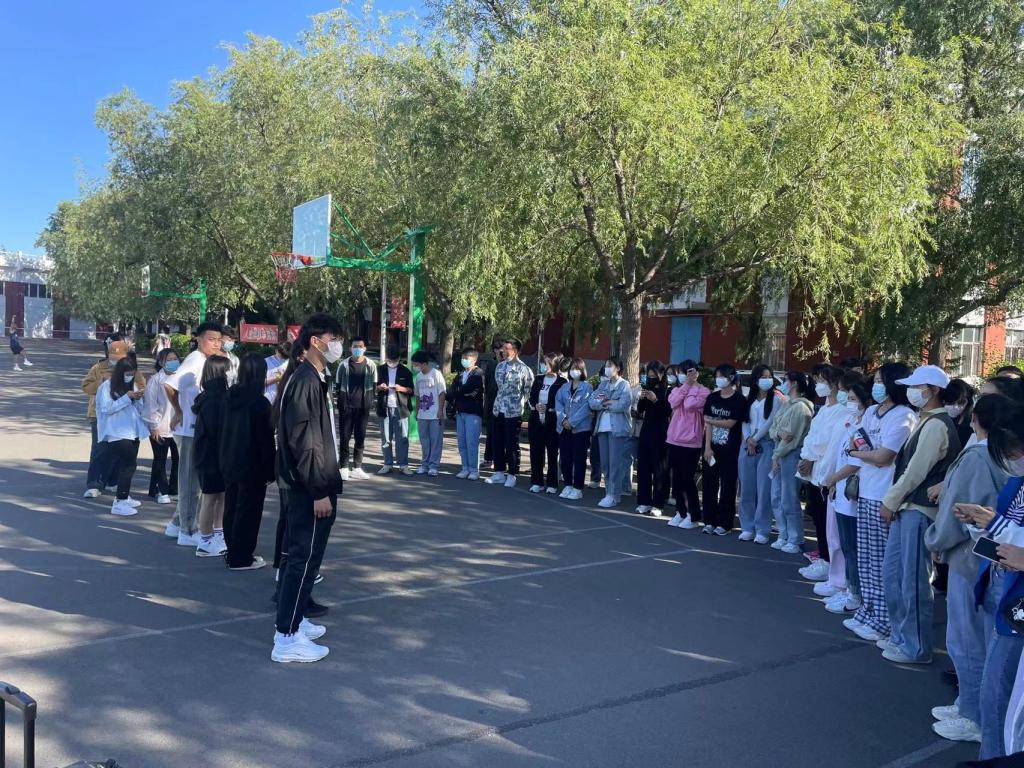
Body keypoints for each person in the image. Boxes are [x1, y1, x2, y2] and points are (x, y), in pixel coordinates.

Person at [926, 394, 1014, 743]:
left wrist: (937, 541)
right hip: (992, 555)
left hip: (970, 555)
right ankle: (968, 702)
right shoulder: (999, 455)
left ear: (977, 418)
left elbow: (957, 510)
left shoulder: (979, 454)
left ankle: (973, 715)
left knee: (967, 640)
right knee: (977, 637)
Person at [872, 365, 963, 665]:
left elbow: (916, 471)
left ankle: (917, 646)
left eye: (917, 386)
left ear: (933, 390)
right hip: (907, 507)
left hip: (919, 509)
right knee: (894, 575)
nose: (912, 391)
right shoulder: (927, 420)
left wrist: (890, 500)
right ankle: (901, 635)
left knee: (913, 580)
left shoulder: (937, 425)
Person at [272, 312, 345, 664]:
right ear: (315, 342)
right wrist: (318, 490)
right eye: (334, 339)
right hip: (308, 488)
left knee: (307, 558)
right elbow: (305, 442)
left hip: (313, 483)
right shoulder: (305, 380)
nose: (339, 345)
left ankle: (296, 620)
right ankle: (286, 637)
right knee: (302, 559)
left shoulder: (313, 377)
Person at [953, 407, 1024, 758]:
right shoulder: (1016, 483)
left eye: (1011, 452)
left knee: (999, 692)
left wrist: (994, 525)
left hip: (1017, 601)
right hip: (1001, 583)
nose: (1009, 461)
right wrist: (981, 523)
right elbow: (1006, 536)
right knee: (996, 691)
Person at [844, 362, 916, 643]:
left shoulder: (904, 416)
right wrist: (863, 453)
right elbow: (858, 441)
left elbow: (884, 457)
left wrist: (858, 454)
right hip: (866, 491)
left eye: (880, 381)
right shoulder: (872, 411)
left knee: (883, 563)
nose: (875, 386)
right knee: (866, 559)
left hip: (885, 496)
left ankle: (885, 620)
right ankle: (869, 611)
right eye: (874, 380)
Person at [165, 321, 225, 546]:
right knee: (191, 482)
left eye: (218, 340)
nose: (216, 344)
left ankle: (177, 523)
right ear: (199, 339)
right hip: (190, 430)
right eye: (211, 339)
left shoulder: (206, 360)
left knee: (194, 480)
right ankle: (188, 531)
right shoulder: (195, 360)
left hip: (196, 429)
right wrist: (179, 411)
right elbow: (169, 385)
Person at [821, 373, 873, 615]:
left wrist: (833, 478)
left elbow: (856, 461)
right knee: (845, 544)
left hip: (853, 492)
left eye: (853, 398)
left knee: (852, 547)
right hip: (842, 491)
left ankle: (855, 593)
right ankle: (849, 588)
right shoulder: (852, 422)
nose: (849, 402)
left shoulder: (865, 426)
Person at [220, 353, 276, 570]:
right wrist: (270, 469)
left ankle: (232, 550)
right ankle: (241, 556)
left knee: (231, 506)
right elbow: (265, 440)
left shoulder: (229, 396)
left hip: (229, 458)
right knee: (249, 510)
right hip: (252, 464)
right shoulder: (260, 403)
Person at [797, 364, 849, 579]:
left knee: (829, 523)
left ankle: (830, 563)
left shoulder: (843, 410)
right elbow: (812, 436)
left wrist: (811, 458)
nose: (818, 385)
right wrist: (806, 456)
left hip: (826, 471)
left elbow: (828, 443)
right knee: (818, 518)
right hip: (814, 470)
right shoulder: (825, 408)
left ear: (835, 385)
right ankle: (823, 558)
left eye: (821, 381)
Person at [82, 340, 145, 498]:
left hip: (123, 420)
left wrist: (135, 393)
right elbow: (86, 386)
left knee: (118, 452)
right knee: (100, 450)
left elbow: (141, 386)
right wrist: (103, 382)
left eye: (119, 358)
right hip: (99, 416)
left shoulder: (132, 371)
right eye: (112, 357)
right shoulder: (98, 368)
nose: (115, 361)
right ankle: (94, 484)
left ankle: (113, 481)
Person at [95, 357, 148, 516]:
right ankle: (120, 501)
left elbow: (138, 408)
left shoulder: (133, 385)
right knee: (127, 465)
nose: (130, 376)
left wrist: (137, 398)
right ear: (119, 372)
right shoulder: (106, 387)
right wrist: (127, 397)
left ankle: (124, 495)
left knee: (130, 465)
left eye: (132, 373)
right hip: (116, 432)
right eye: (127, 374)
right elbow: (107, 408)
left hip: (133, 431)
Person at [769, 372, 815, 552]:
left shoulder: (801, 408)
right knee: (776, 497)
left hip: (790, 455)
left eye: (786, 380)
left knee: (789, 498)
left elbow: (791, 438)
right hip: (778, 454)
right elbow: (774, 430)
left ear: (794, 383)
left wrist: (776, 455)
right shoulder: (786, 404)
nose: (783, 384)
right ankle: (783, 534)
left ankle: (795, 538)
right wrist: (778, 435)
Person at [738, 364, 783, 543]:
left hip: (765, 444)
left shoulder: (776, 399)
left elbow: (770, 421)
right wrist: (748, 438)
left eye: (769, 376)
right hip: (747, 444)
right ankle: (747, 527)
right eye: (763, 377)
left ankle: (762, 529)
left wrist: (755, 439)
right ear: (756, 380)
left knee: (764, 489)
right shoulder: (749, 398)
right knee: (747, 488)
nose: (767, 380)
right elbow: (744, 420)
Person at [702, 364, 748, 535]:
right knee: (709, 484)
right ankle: (709, 520)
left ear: (731, 378)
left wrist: (711, 420)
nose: (718, 379)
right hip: (712, 448)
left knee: (728, 485)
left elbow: (731, 423)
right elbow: (707, 423)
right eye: (717, 376)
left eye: (721, 376)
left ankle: (725, 523)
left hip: (731, 449)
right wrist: (707, 447)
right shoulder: (712, 397)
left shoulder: (739, 400)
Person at [192, 355, 231, 557]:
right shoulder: (213, 399)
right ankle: (205, 540)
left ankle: (218, 534)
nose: (230, 374)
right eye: (227, 370)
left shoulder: (213, 396)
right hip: (211, 455)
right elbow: (216, 430)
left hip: (214, 455)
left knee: (221, 496)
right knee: (209, 497)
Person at [666, 361, 710, 529]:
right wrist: (686, 386)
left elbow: (690, 405)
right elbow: (673, 402)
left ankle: (693, 515)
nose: (685, 375)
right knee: (676, 479)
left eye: (688, 372)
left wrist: (691, 386)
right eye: (682, 372)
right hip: (674, 439)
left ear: (696, 373)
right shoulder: (677, 389)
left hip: (692, 442)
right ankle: (681, 511)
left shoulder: (704, 391)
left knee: (687, 479)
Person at [487, 338, 535, 488]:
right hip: (498, 409)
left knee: (511, 444)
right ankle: (499, 472)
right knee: (497, 441)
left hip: (513, 411)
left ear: (516, 351)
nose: (503, 351)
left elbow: (528, 391)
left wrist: (520, 405)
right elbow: (499, 386)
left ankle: (512, 474)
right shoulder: (500, 366)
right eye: (503, 348)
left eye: (507, 349)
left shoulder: (524, 369)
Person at [589, 356, 633, 508]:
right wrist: (606, 403)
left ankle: (614, 495)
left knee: (615, 464)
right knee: (605, 464)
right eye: (606, 365)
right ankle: (609, 493)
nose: (607, 368)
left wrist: (608, 402)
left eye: (610, 365)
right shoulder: (603, 384)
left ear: (618, 368)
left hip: (617, 430)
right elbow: (592, 402)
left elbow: (624, 404)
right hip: (602, 428)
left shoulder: (624, 385)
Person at [335, 337, 377, 480]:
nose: (357, 348)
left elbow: (374, 386)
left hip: (363, 407)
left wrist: (370, 402)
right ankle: (344, 467)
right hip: (346, 407)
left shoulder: (371, 365)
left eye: (360, 346)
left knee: (360, 437)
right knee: (345, 437)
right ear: (350, 348)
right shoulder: (343, 365)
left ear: (364, 348)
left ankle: (357, 467)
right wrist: (341, 403)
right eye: (355, 346)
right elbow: (338, 386)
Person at [143, 349, 179, 508]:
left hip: (178, 427)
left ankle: (174, 489)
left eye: (175, 358)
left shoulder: (181, 377)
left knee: (178, 459)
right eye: (168, 359)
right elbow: (150, 405)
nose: (173, 362)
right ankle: (161, 491)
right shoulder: (156, 380)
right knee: (160, 459)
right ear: (160, 362)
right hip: (161, 426)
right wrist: (154, 426)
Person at [555, 357, 594, 500]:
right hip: (564, 428)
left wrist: (572, 422)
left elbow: (586, 408)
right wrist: (563, 419)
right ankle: (568, 485)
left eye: (577, 369)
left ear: (582, 371)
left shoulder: (587, 387)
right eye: (572, 368)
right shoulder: (564, 387)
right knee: (565, 457)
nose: (574, 371)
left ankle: (578, 488)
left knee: (579, 459)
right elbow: (558, 403)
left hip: (581, 430)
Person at [636, 361, 671, 516]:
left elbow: (666, 411)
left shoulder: (668, 390)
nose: (651, 378)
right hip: (646, 429)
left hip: (661, 432)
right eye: (648, 376)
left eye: (653, 376)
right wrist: (642, 398)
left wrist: (655, 400)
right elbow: (640, 410)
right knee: (643, 467)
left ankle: (658, 503)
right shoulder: (646, 388)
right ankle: (644, 501)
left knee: (659, 469)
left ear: (661, 375)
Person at [528, 352, 566, 493]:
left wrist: (549, 407)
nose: (543, 366)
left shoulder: (561, 382)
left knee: (552, 452)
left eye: (546, 363)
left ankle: (552, 483)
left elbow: (562, 402)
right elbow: (531, 396)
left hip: (552, 420)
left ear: (554, 365)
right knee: (536, 451)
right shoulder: (538, 379)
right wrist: (536, 405)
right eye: (543, 363)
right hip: (536, 419)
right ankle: (537, 481)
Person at [376, 344, 415, 476]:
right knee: (385, 438)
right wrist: (379, 387)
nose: (392, 362)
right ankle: (387, 464)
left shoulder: (405, 371)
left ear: (398, 358)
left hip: (401, 408)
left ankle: (403, 465)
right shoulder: (380, 370)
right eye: (390, 360)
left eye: (394, 360)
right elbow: (373, 387)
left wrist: (401, 388)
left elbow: (411, 390)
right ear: (386, 358)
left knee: (402, 438)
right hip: (384, 407)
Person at [450, 347, 485, 479]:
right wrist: (461, 392)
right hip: (460, 412)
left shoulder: (478, 373)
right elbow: (453, 390)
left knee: (472, 442)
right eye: (463, 358)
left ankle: (474, 470)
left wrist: (460, 391)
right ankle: (465, 468)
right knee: (462, 442)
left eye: (466, 358)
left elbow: (473, 391)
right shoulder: (460, 374)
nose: (464, 360)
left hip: (473, 412)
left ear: (474, 359)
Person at [412, 351, 447, 476]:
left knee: (435, 441)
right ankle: (424, 464)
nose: (415, 367)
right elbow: (417, 395)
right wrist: (417, 411)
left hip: (435, 414)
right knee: (424, 441)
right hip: (422, 414)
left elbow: (442, 393)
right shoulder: (418, 377)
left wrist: (440, 410)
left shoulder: (436, 374)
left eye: (416, 364)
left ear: (424, 363)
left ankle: (433, 466)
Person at [483, 338, 504, 469]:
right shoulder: (491, 363)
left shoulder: (507, 364)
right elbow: (487, 383)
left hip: (503, 403)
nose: (501, 352)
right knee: (490, 432)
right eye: (498, 350)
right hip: (492, 401)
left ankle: (499, 459)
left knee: (500, 433)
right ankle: (488, 458)